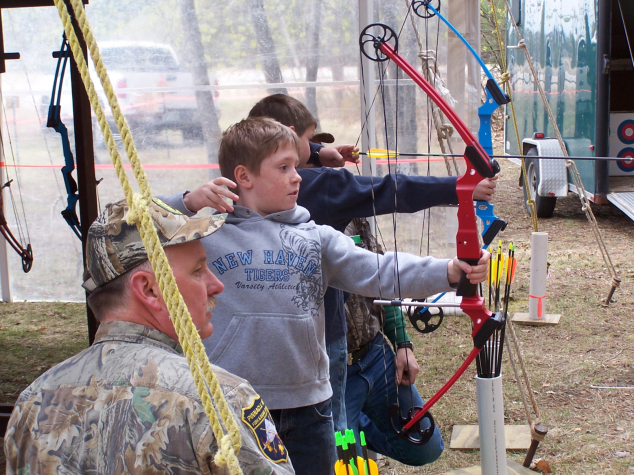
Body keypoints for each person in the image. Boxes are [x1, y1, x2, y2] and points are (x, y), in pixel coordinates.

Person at [161, 117, 491, 475]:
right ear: (244, 176)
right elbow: (124, 228)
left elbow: (378, 271)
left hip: (309, 406)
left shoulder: (316, 237)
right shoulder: (205, 232)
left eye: (296, 165)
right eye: (284, 167)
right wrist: (185, 202)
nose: (298, 176)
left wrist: (449, 271)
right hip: (230, 403)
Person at [3, 198, 295, 475]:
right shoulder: (215, 397)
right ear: (149, 290)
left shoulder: (33, 402)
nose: (216, 285)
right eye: (197, 270)